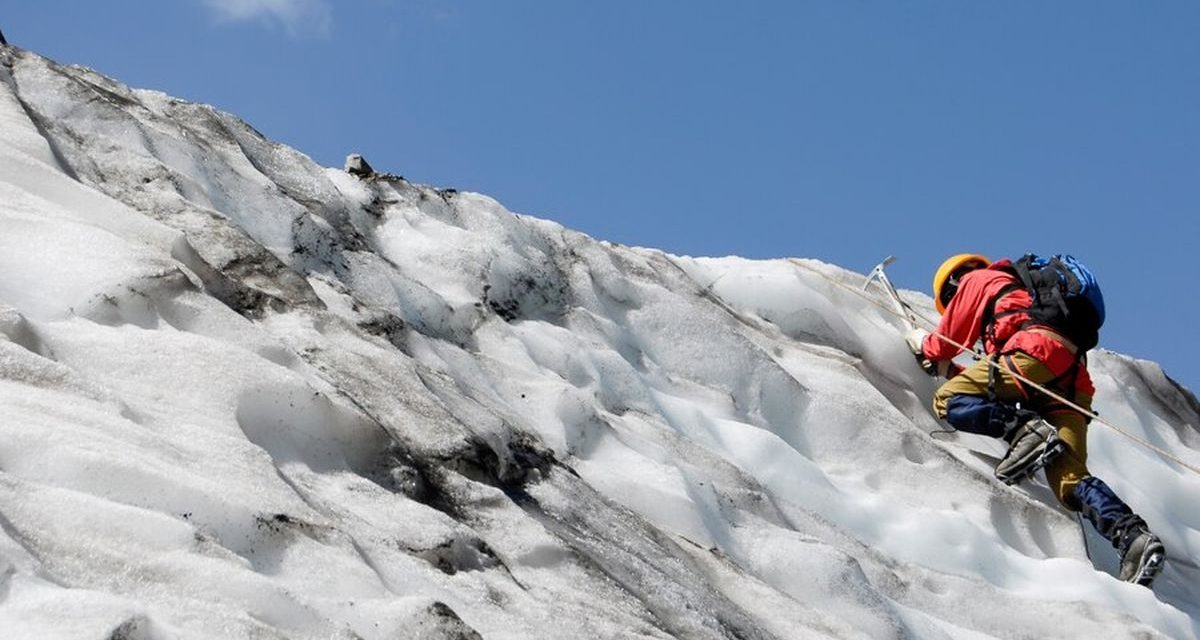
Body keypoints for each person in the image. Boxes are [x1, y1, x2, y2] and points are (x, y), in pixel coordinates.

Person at [906, 253, 1166, 586]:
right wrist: (952, 370)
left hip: (1034, 354)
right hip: (1071, 379)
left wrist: (924, 347)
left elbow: (944, 344)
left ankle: (1026, 433)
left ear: (953, 284)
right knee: (1068, 477)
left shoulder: (978, 280)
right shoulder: (1025, 298)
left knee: (947, 400)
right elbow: (998, 380)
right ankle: (1133, 537)